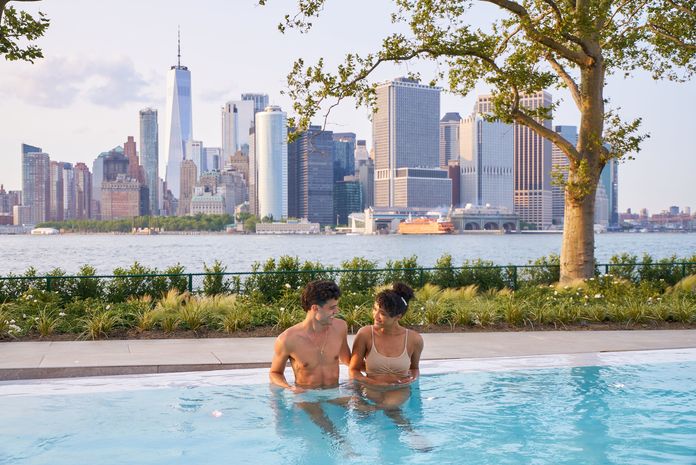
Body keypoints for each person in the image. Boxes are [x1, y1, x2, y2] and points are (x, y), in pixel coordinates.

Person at [269, 279, 352, 445]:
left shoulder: (340, 327)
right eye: (332, 307)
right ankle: (343, 445)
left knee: (376, 407)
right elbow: (275, 373)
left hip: (334, 394)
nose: (337, 310)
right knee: (320, 438)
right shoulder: (287, 339)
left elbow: (348, 361)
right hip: (307, 396)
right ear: (315, 308)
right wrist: (290, 388)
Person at [349, 282, 424, 409]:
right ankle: (401, 422)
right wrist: (375, 384)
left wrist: (413, 378)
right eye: (375, 309)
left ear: (398, 316)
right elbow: (353, 370)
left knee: (389, 407)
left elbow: (415, 369)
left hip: (399, 390)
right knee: (371, 411)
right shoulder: (365, 334)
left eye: (382, 313)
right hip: (370, 388)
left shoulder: (414, 339)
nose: (376, 316)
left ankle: (398, 419)